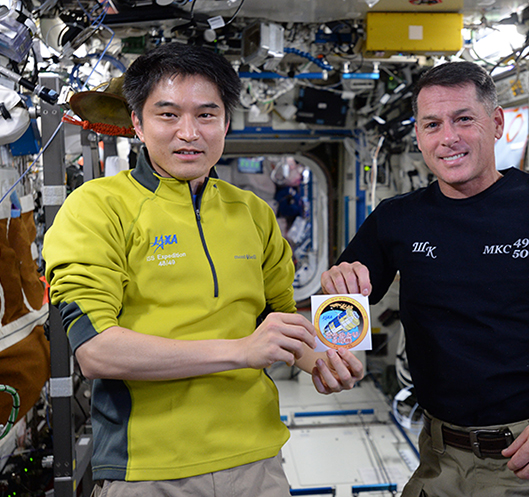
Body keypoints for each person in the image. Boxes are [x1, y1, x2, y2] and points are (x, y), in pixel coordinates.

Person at [321, 61, 529, 496]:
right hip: (438, 461)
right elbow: (339, 312)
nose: (448, 137)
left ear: (497, 123)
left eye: (464, 119)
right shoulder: (396, 219)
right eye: (432, 124)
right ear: (418, 136)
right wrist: (331, 340)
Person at [43, 42, 363, 497]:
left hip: (258, 461)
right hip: (148, 469)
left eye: (206, 115)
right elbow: (97, 352)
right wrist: (241, 351)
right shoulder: (97, 208)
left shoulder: (252, 212)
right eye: (168, 115)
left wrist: (324, 362)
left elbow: (279, 323)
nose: (189, 133)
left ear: (226, 123)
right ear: (137, 123)